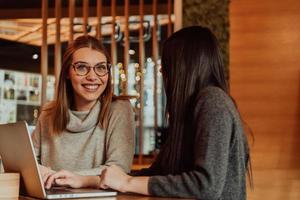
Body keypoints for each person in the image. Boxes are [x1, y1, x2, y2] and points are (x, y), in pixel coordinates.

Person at [48, 26, 252, 199]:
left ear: (183, 67)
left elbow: (207, 186)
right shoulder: (192, 110)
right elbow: (157, 173)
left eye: (167, 65)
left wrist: (127, 182)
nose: (164, 73)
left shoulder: (213, 102)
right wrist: (87, 180)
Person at [31, 35, 135, 189]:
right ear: (67, 72)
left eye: (100, 67)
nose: (92, 77)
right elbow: (28, 162)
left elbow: (119, 170)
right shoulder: (48, 113)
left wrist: (75, 178)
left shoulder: (120, 109)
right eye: (81, 67)